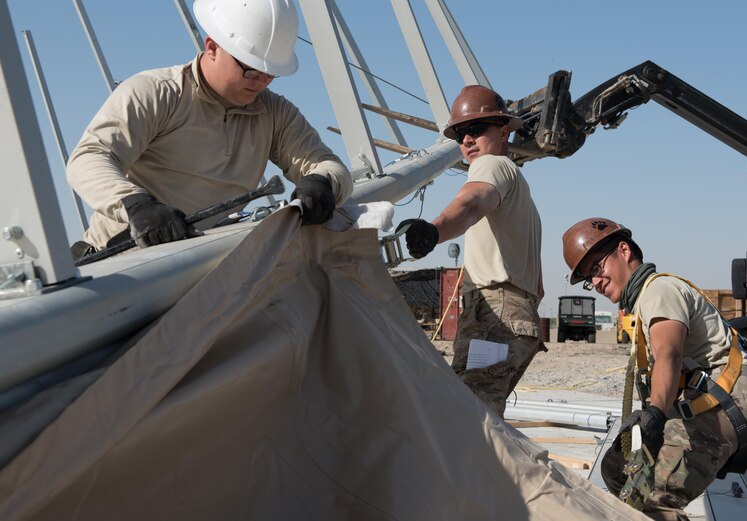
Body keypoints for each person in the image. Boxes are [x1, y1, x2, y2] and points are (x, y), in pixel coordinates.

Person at [67, 0, 351, 258]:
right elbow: (88, 158)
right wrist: (135, 205)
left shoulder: (275, 113)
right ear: (212, 47)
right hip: (117, 261)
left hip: (202, 266)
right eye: (251, 69)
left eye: (271, 74)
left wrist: (323, 183)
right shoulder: (156, 93)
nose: (262, 82)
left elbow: (328, 165)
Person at [562, 217, 747, 521]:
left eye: (597, 269)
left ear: (624, 251)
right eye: (589, 278)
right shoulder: (645, 301)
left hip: (734, 405)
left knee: (645, 496)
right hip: (726, 404)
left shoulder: (658, 291)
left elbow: (669, 354)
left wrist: (655, 415)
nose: (595, 283)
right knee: (617, 469)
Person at [397, 85, 545, 419]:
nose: (466, 140)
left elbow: (472, 202)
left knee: (466, 420)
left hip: (494, 311)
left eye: (476, 129)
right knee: (482, 416)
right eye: (460, 134)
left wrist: (433, 230)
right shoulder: (522, 194)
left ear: (504, 131)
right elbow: (539, 288)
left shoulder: (492, 165)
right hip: (519, 317)